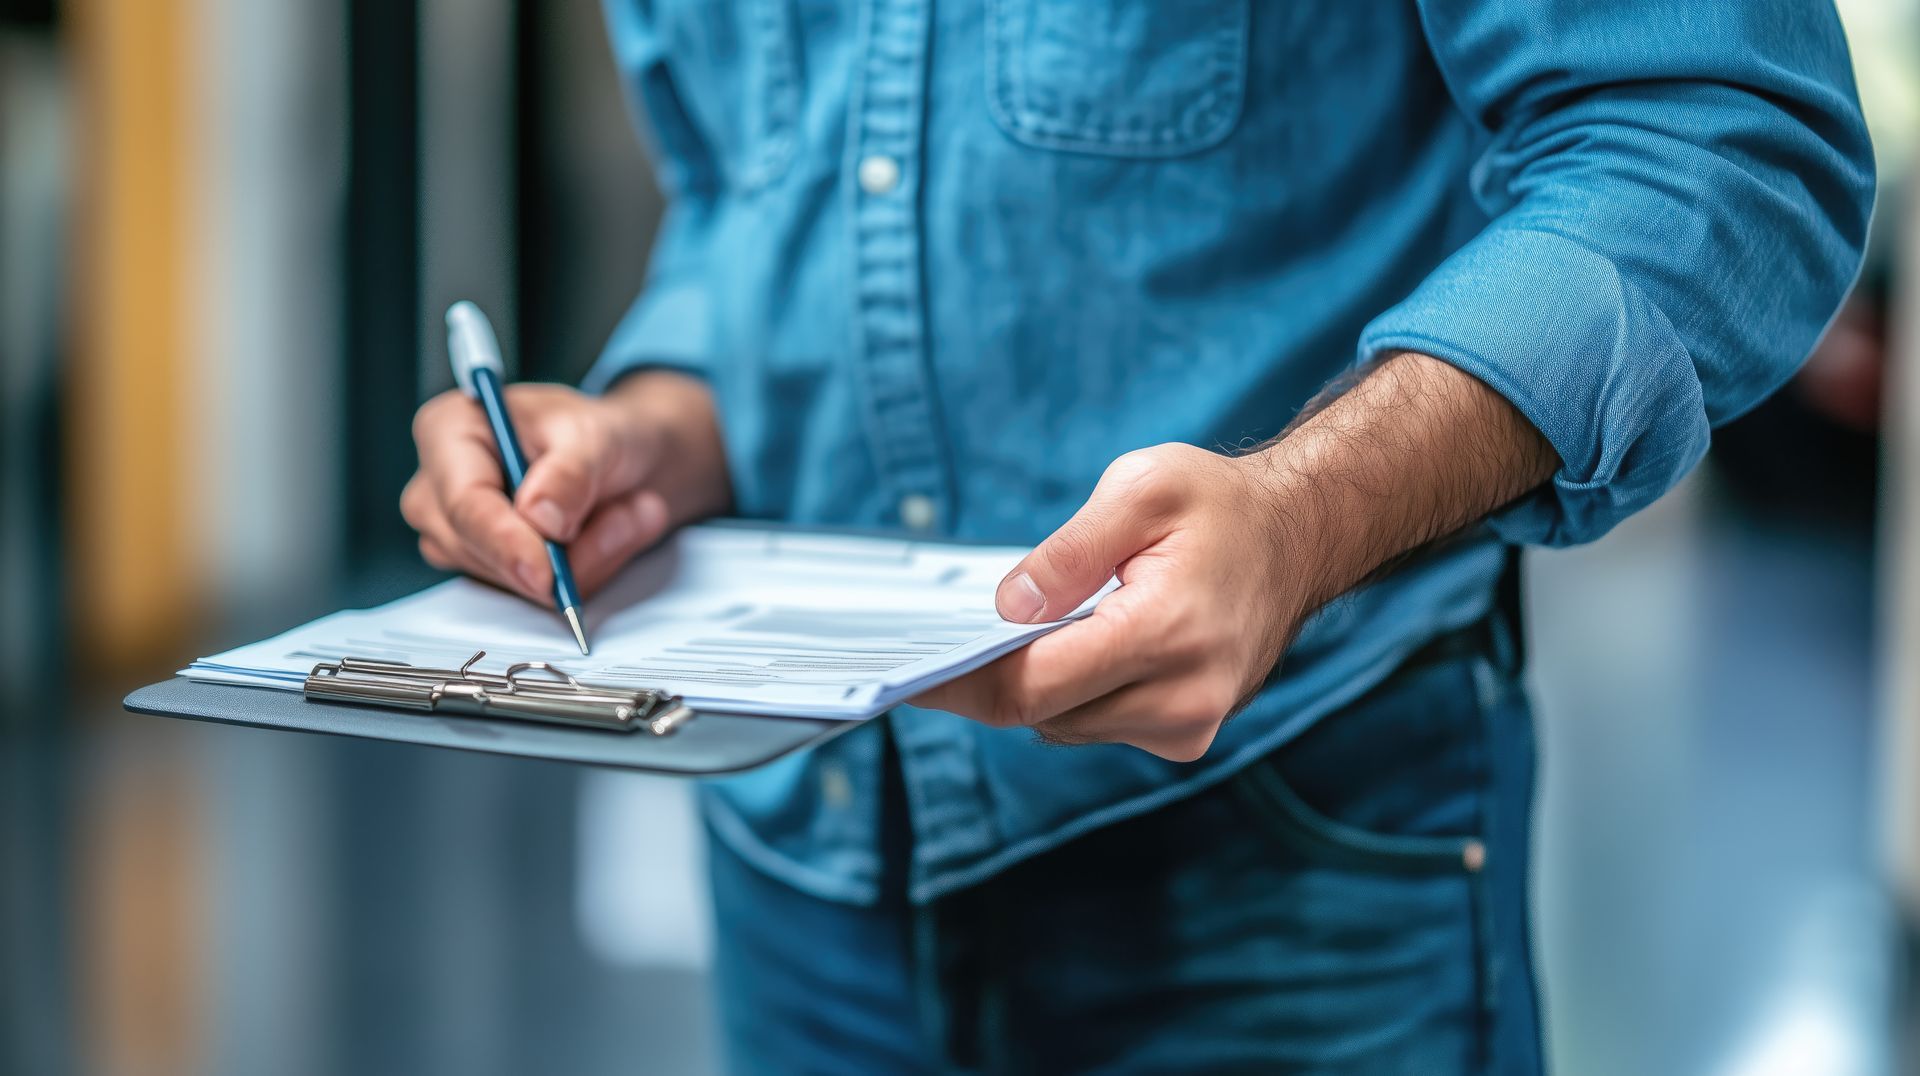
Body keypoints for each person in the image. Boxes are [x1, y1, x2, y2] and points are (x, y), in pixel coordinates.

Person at [403, 2, 1875, 1071]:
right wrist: (656, 425)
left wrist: (1298, 517)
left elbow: (1716, 140)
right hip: (806, 870)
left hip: (1289, 867)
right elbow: (753, 204)